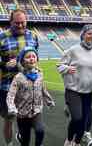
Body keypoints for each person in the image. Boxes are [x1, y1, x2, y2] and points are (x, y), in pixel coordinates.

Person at [0, 9, 39, 146]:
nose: (21, 26)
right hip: (7, 85)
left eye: (23, 23)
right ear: (10, 22)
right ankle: (9, 144)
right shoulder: (2, 37)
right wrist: (4, 64)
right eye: (17, 23)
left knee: (26, 118)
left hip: (27, 86)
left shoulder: (33, 36)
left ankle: (21, 135)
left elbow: (35, 57)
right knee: (9, 119)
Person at [57, 24, 92, 146]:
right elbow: (59, 65)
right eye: (89, 33)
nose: (91, 36)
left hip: (89, 91)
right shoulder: (73, 50)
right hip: (73, 90)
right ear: (83, 35)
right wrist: (67, 68)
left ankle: (77, 142)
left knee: (84, 120)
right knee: (77, 118)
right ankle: (69, 140)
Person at [6, 47, 55, 146]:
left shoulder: (40, 74)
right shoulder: (18, 77)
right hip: (22, 114)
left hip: (37, 110)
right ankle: (21, 137)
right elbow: (11, 95)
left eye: (34, 56)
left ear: (37, 59)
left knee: (40, 130)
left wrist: (49, 101)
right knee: (25, 140)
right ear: (22, 61)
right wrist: (11, 107)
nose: (32, 58)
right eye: (28, 57)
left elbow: (43, 88)